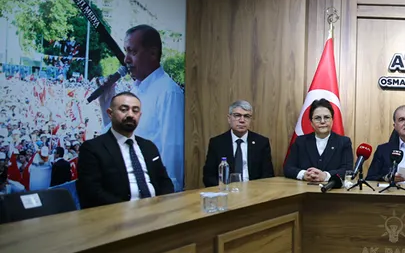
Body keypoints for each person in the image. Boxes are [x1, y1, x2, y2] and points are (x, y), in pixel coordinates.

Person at [98, 25, 184, 191]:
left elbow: (173, 156)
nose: (126, 59)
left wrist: (168, 198)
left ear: (153, 53)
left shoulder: (168, 93)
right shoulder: (135, 90)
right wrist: (106, 104)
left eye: (133, 52)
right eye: (126, 51)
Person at [77, 92, 174, 208]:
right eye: (124, 110)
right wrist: (128, 210)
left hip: (156, 209)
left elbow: (164, 181)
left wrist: (163, 204)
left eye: (135, 111)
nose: (130, 115)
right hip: (117, 212)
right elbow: (91, 191)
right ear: (110, 113)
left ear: (140, 115)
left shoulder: (148, 146)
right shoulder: (92, 148)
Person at [202, 100, 274, 187]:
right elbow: (208, 176)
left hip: (254, 191)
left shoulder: (261, 143)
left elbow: (268, 175)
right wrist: (225, 189)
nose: (242, 120)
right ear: (229, 119)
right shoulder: (217, 143)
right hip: (226, 190)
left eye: (246, 116)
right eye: (237, 115)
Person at [283, 98, 353, 182]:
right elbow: (288, 168)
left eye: (326, 117)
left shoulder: (344, 142)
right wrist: (304, 174)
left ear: (332, 120)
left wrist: (325, 176)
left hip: (332, 189)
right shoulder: (300, 142)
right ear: (311, 122)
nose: (322, 121)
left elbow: (348, 170)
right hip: (305, 188)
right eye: (317, 118)